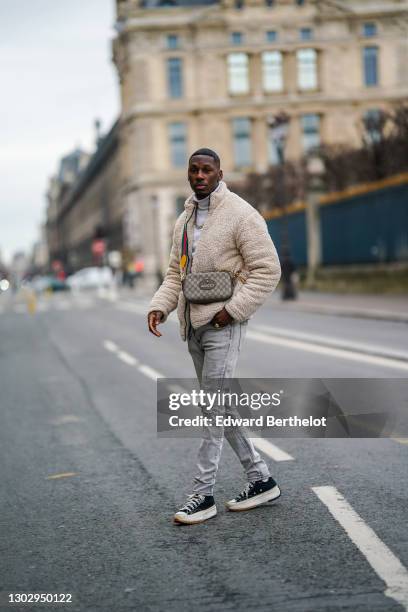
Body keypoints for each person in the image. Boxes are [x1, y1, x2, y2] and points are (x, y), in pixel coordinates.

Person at [147, 148, 282, 524]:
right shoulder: (184, 219)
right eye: (194, 170)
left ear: (220, 173)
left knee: (212, 407)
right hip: (194, 327)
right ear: (188, 174)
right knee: (222, 405)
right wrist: (160, 306)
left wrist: (232, 311)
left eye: (207, 170)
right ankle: (261, 479)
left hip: (224, 325)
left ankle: (202, 494)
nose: (200, 175)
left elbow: (267, 270)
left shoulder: (241, 214)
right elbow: (176, 274)